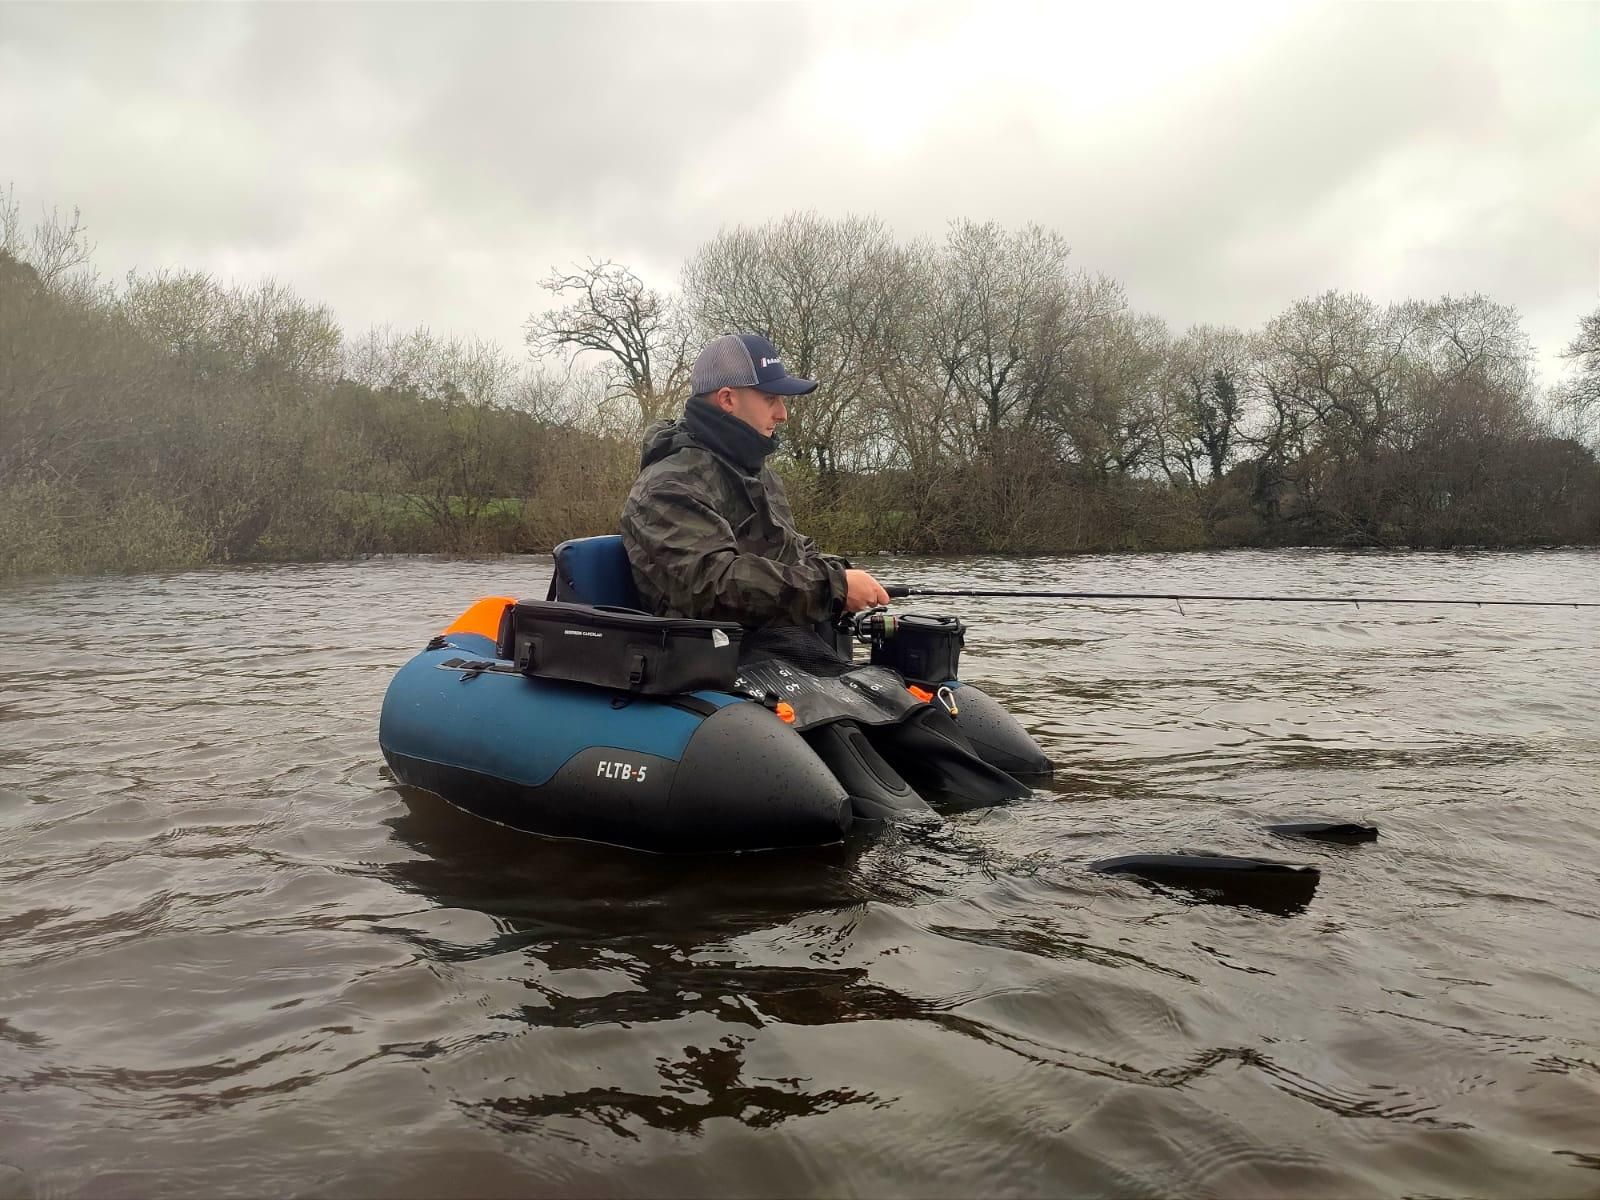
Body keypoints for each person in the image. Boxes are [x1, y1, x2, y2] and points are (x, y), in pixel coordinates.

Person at [620, 333, 890, 635]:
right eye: (770, 398)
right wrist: (831, 587)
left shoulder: (756, 474)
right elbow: (713, 587)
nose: (783, 414)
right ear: (727, 399)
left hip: (770, 647)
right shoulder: (667, 486)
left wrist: (841, 573)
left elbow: (793, 553)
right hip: (704, 660)